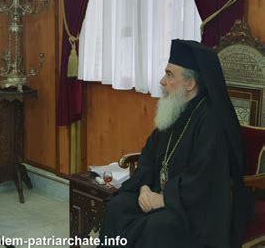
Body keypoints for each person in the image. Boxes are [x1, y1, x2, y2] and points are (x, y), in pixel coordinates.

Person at [99, 39, 252, 248]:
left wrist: (164, 199)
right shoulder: (174, 109)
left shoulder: (211, 121)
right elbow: (148, 155)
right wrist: (144, 188)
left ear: (190, 83)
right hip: (160, 194)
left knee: (156, 228)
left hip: (197, 208)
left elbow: (206, 179)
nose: (162, 81)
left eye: (169, 75)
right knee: (118, 206)